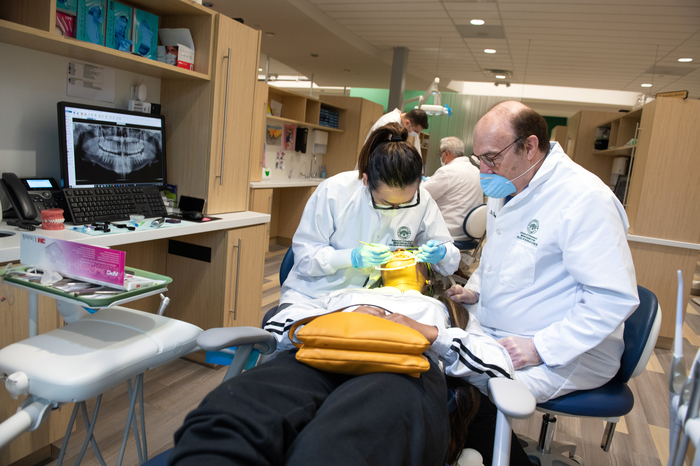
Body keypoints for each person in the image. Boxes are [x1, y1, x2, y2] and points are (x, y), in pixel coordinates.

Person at [168, 252, 515, 466]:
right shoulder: (344, 294)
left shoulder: (438, 308)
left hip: (404, 370)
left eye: (410, 257)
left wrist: (431, 333)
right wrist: (327, 319)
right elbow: (276, 324)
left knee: (337, 446)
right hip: (316, 357)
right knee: (225, 417)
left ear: (427, 276)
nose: (400, 257)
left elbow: (500, 365)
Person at [445, 101, 639, 465]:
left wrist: (540, 347)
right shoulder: (508, 183)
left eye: (492, 157)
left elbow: (612, 299)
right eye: (479, 159)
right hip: (500, 329)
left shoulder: (584, 199)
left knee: (466, 394)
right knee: (434, 366)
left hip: (567, 351)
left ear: (530, 146)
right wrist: (478, 291)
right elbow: (497, 256)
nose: (484, 170)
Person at [280, 122, 460, 307]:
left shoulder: (423, 199)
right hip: (317, 295)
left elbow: (450, 262)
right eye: (386, 203)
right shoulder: (334, 191)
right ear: (366, 181)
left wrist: (442, 253)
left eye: (405, 203)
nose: (396, 211)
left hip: (377, 298)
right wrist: (351, 257)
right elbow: (305, 258)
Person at [422, 137, 483, 240]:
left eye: (440, 154)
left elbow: (422, 194)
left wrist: (421, 183)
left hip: (448, 231)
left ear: (446, 153)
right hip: (470, 233)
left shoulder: (447, 171)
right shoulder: (476, 170)